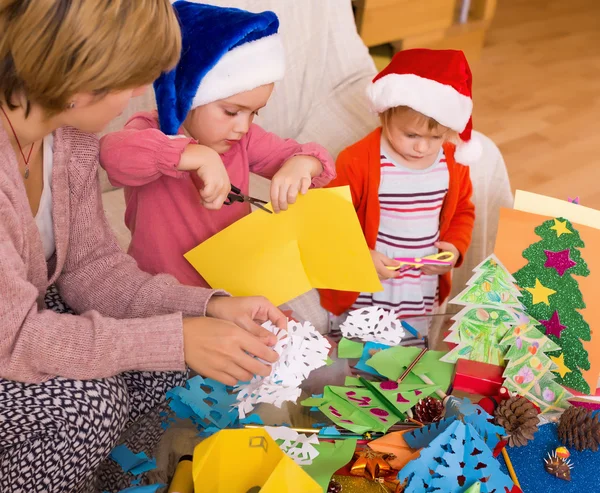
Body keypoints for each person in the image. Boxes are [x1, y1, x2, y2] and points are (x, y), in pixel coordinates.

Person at [0, 1, 287, 491]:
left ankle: (120, 484)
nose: (140, 93)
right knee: (90, 403)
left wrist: (208, 307)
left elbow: (92, 269)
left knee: (168, 369)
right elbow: (16, 339)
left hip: (30, 316)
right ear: (80, 74)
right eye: (132, 77)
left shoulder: (68, 138)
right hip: (13, 335)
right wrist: (175, 338)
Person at [99, 1, 335, 288]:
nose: (243, 126)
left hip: (235, 286)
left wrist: (302, 164)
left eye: (254, 113)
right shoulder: (151, 132)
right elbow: (112, 155)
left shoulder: (244, 139)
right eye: (232, 112)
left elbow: (315, 160)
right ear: (189, 96)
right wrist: (194, 155)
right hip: (162, 292)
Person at [319, 49, 476, 345]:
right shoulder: (358, 160)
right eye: (411, 135)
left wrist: (454, 249)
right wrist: (360, 256)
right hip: (373, 281)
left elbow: (462, 211)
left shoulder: (453, 162)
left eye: (435, 137)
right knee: (361, 358)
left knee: (409, 356)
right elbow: (329, 220)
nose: (422, 148)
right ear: (385, 112)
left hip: (421, 285)